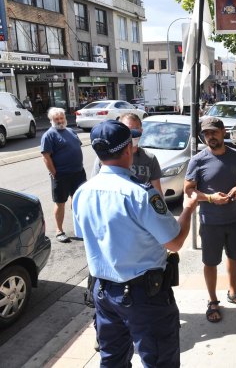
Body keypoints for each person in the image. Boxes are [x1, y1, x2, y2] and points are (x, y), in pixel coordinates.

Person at [72, 120, 198, 367]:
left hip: (103, 292)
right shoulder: (140, 193)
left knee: (112, 360)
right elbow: (174, 242)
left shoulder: (83, 192)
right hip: (144, 296)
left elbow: (86, 235)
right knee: (160, 360)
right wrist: (187, 210)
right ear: (128, 149)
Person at [184, 117, 236, 323]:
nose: (210, 137)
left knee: (235, 257)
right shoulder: (198, 160)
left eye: (213, 132)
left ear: (223, 132)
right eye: (206, 133)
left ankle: (233, 292)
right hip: (210, 221)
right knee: (211, 262)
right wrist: (210, 198)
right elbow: (189, 190)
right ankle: (213, 300)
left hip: (234, 218)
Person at [40, 107, 86, 243]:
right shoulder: (49, 135)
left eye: (61, 118)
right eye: (56, 119)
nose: (60, 121)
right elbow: (46, 157)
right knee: (60, 203)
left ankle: (80, 226)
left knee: (78, 200)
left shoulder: (71, 131)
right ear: (51, 120)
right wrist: (55, 173)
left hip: (78, 172)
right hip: (61, 175)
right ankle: (59, 230)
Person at [91, 113, 162, 195]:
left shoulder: (149, 158)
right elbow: (95, 185)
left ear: (141, 131)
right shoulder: (107, 159)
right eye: (128, 130)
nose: (132, 134)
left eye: (135, 130)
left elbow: (157, 191)